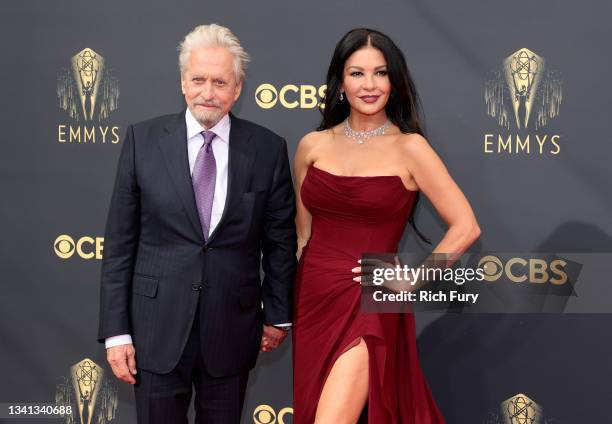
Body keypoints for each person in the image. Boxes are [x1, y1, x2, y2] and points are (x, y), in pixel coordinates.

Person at [97, 24, 297, 424]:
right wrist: (117, 333)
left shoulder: (267, 149)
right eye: (199, 79)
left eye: (220, 81)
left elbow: (279, 242)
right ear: (183, 83)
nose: (208, 92)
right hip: (155, 329)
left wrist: (277, 314)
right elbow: (120, 244)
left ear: (237, 89)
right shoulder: (142, 140)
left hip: (232, 327)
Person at [292, 28, 481, 423]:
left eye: (380, 73)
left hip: (372, 296)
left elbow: (465, 227)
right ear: (340, 82)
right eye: (357, 73)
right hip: (313, 296)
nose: (370, 84)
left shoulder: (410, 148)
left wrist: (413, 280)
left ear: (394, 81)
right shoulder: (312, 145)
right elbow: (303, 233)